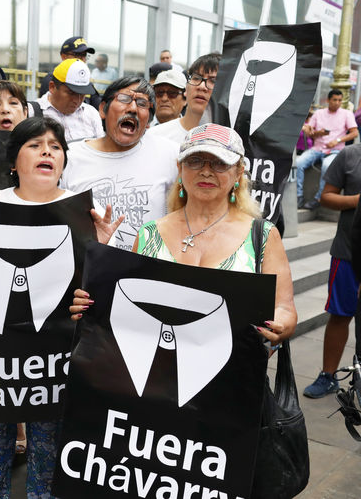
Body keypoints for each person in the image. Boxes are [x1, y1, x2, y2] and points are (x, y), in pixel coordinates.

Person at [0, 117, 121, 499]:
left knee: (51, 462)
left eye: (55, 146)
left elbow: (97, 297)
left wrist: (101, 247)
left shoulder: (82, 213)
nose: (47, 151)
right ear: (13, 161)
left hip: (57, 367)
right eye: (35, 144)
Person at [70, 124, 297, 413]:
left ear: (239, 172)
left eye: (219, 163)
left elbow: (285, 307)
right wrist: (93, 298)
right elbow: (127, 309)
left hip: (231, 392)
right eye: (195, 161)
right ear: (180, 169)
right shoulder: (150, 232)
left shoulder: (263, 235)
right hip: (154, 390)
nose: (205, 171)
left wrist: (280, 324)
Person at [60, 76, 178, 251]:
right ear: (102, 109)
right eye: (124, 99)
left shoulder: (171, 154)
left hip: (148, 272)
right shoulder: (70, 157)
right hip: (88, 268)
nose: (132, 108)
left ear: (148, 121)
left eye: (142, 103)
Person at [301, 142, 361, 397]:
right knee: (339, 314)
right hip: (348, 253)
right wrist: (358, 200)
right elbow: (327, 196)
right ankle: (328, 376)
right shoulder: (350, 155)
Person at [297, 89, 359, 210]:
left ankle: (318, 198)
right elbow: (310, 134)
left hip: (335, 150)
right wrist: (315, 132)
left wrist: (338, 140)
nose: (337, 102)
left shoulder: (346, 114)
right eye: (335, 100)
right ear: (328, 100)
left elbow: (354, 132)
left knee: (327, 166)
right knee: (298, 163)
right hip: (317, 148)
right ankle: (298, 196)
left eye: (340, 100)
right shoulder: (318, 113)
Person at [148, 52, 221, 145]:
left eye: (213, 81)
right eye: (196, 78)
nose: (202, 86)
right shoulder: (154, 136)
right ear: (186, 89)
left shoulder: (231, 143)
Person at [37, 58, 104, 142]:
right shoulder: (32, 112)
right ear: (52, 87)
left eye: (82, 94)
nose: (77, 100)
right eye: (71, 93)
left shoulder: (91, 113)